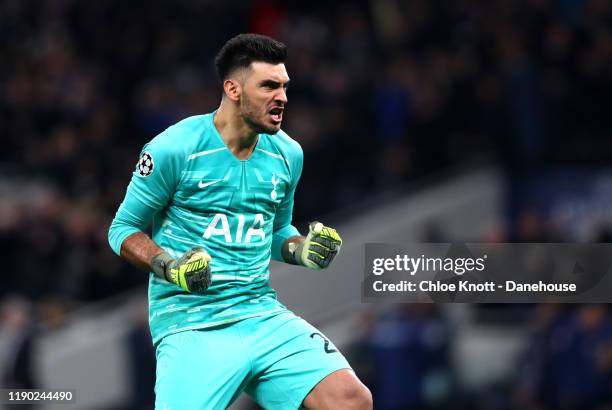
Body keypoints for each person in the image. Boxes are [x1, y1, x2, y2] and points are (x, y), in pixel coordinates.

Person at [108, 33, 372, 410]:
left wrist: (303, 250)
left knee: (351, 399)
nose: (281, 96)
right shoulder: (173, 148)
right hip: (193, 323)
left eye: (284, 86)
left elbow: (278, 232)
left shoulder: (288, 154)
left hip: (260, 313)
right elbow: (122, 230)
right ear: (232, 89)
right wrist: (172, 267)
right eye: (268, 86)